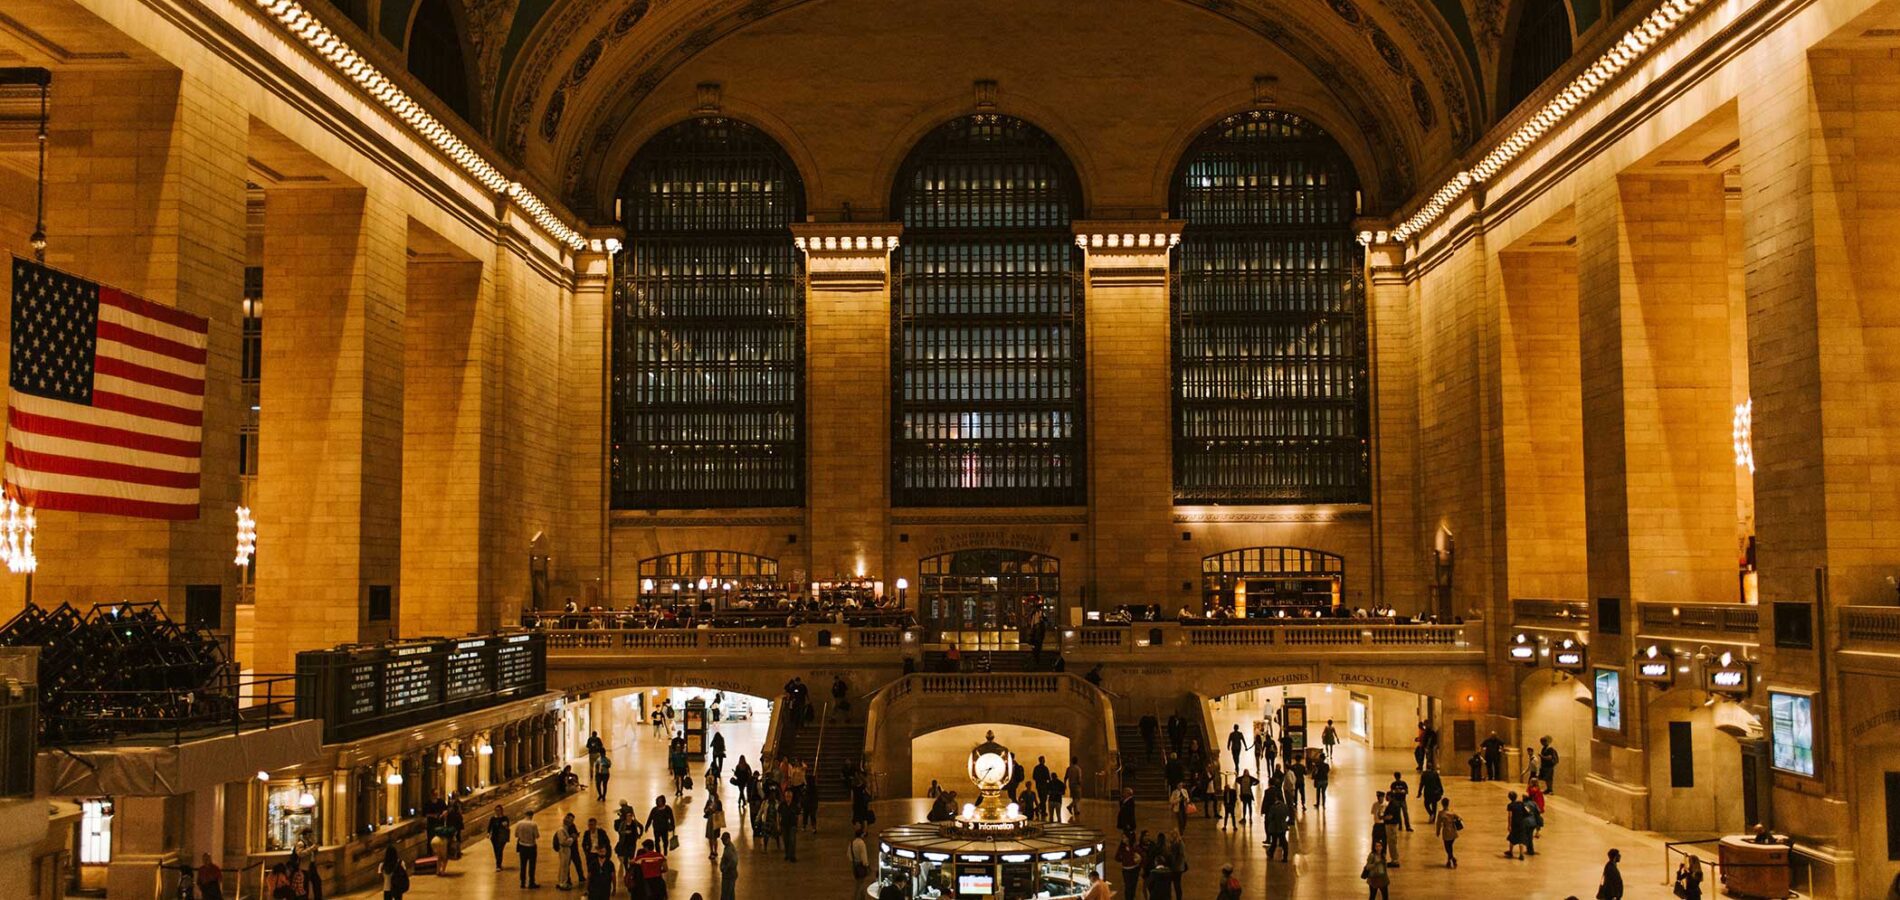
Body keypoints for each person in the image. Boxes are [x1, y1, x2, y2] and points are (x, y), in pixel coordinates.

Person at [514, 810, 541, 888]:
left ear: (525, 814)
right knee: (532, 866)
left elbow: (516, 835)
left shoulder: (519, 823)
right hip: (531, 847)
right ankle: (531, 882)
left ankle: (522, 882)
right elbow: (537, 836)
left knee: (523, 865)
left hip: (522, 846)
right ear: (532, 815)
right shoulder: (533, 824)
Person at [554, 812, 581, 889]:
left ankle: (561, 881)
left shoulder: (564, 829)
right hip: (564, 850)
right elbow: (563, 842)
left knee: (563, 867)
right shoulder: (561, 830)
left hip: (566, 850)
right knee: (564, 867)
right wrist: (572, 838)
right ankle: (563, 883)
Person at [1434, 797, 1462, 867]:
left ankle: (1452, 859)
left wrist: (1438, 832)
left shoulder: (1441, 813)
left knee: (1447, 847)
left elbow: (1438, 823)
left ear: (1442, 804)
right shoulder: (1452, 812)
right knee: (1450, 846)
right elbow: (1460, 818)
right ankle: (1450, 860)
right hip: (1453, 831)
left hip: (1446, 831)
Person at [1264, 794, 1291, 861]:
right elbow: (1287, 814)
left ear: (1276, 798)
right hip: (1282, 826)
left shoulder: (1273, 807)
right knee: (1283, 841)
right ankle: (1285, 856)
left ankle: (1270, 853)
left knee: (1274, 841)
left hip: (1274, 827)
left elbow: (1270, 817)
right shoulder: (1285, 806)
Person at [487, 806, 512, 871]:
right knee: (496, 850)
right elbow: (490, 826)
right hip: (494, 837)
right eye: (496, 810)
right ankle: (499, 864)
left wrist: (506, 826)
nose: (497, 812)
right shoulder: (493, 818)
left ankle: (498, 865)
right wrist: (488, 833)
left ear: (501, 811)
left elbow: (507, 827)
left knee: (500, 850)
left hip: (502, 837)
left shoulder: (505, 818)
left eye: (499, 810)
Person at [703, 792, 726, 861]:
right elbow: (704, 810)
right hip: (710, 820)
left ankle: (715, 851)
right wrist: (707, 810)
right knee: (710, 837)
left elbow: (720, 811)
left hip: (716, 820)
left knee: (715, 837)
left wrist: (714, 810)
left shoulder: (718, 803)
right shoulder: (709, 802)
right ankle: (711, 851)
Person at [849, 823, 872, 890]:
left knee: (857, 881)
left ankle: (860, 895)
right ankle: (858, 896)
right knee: (861, 883)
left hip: (854, 865)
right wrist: (867, 865)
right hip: (861, 865)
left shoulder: (852, 842)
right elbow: (864, 856)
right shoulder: (861, 843)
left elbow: (849, 854)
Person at [718, 833, 739, 900]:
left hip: (729, 875)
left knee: (726, 893)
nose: (723, 842)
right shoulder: (729, 847)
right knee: (730, 893)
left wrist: (725, 868)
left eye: (724, 840)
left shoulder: (729, 850)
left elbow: (734, 861)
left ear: (728, 839)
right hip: (730, 875)